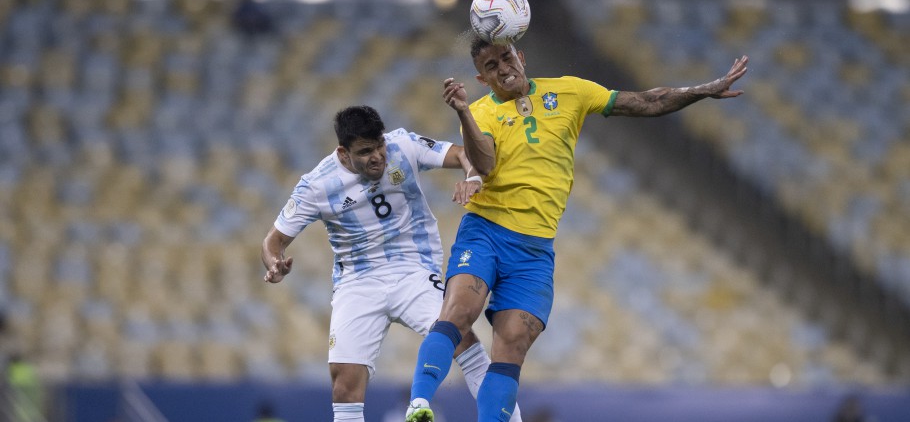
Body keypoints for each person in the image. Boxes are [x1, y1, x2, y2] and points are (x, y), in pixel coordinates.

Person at [404, 36, 749, 422]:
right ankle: (419, 404)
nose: (503, 68)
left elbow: (648, 102)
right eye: (491, 66)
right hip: (486, 230)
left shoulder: (570, 91)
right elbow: (483, 165)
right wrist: (464, 113)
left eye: (506, 57)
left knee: (513, 343)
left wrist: (704, 90)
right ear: (482, 79)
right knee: (459, 310)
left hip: (534, 249)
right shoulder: (482, 113)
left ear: (521, 55)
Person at [261, 105, 522, 422]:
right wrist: (274, 263)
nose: (378, 156)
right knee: (344, 383)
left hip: (413, 270)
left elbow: (462, 154)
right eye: (366, 151)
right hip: (357, 283)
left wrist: (471, 175)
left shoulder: (404, 145)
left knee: (462, 339)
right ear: (344, 154)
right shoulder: (316, 185)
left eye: (379, 145)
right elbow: (273, 241)